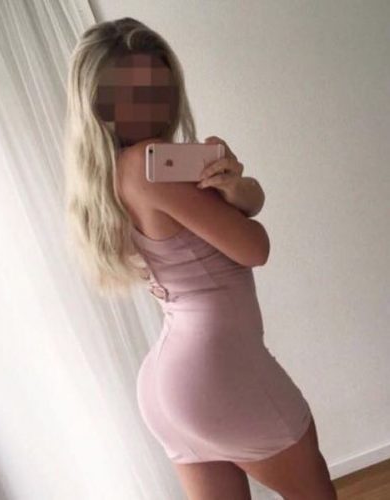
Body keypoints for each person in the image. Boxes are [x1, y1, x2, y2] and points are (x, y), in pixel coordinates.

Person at [64, 17, 337, 500]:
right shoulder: (148, 165)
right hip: (219, 371)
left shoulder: (109, 175)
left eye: (161, 89)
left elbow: (249, 204)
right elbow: (255, 247)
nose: (155, 107)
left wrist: (233, 186)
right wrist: (236, 201)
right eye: (136, 94)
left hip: (171, 385)